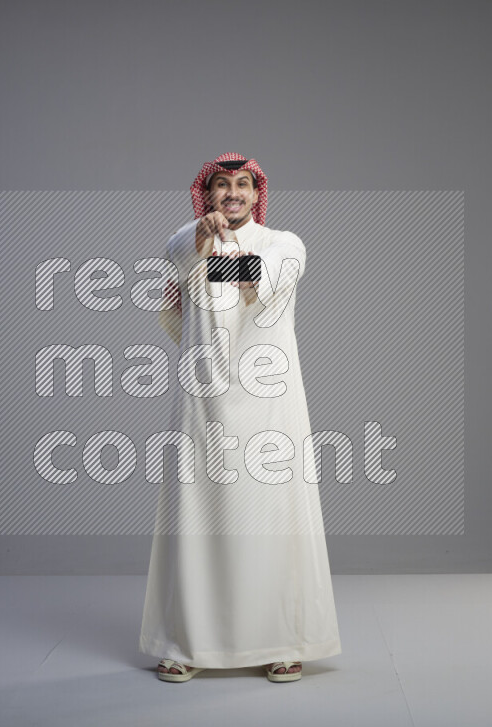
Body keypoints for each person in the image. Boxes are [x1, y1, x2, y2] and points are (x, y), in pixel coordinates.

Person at [139, 152, 341, 683]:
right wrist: (204, 241)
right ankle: (184, 643)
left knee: (273, 516)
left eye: (243, 185)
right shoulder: (183, 238)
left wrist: (218, 245)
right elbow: (180, 294)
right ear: (206, 194)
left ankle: (283, 640)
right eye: (222, 186)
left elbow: (259, 289)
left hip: (270, 403)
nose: (233, 194)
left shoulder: (286, 244)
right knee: (196, 516)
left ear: (257, 194)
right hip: (203, 400)